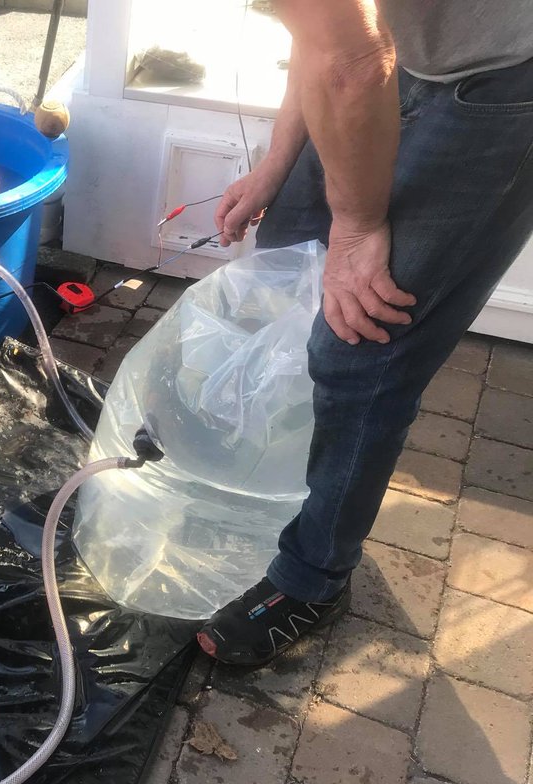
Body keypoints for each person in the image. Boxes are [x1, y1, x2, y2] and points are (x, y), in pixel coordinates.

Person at [196, 0, 533, 665]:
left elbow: (349, 57)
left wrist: (357, 227)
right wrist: (275, 163)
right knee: (286, 253)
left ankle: (312, 578)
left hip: (499, 81)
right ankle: (275, 466)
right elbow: (327, 33)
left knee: (362, 346)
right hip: (394, 52)